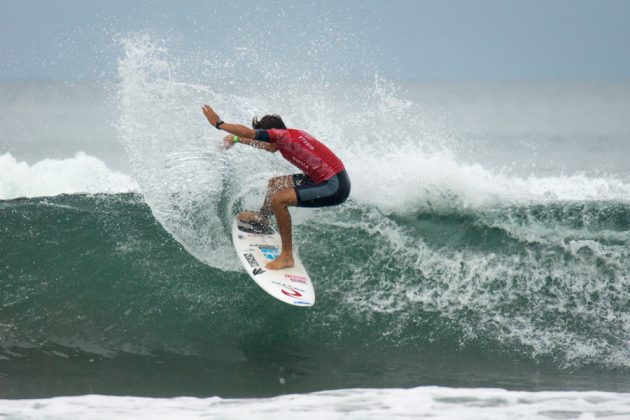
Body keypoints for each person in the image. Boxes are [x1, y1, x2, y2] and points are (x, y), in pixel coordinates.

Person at [202, 104, 351, 270]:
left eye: (264, 137)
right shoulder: (290, 135)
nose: (264, 142)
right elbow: (269, 147)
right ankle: (263, 217)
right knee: (275, 184)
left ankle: (287, 256)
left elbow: (248, 133)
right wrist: (236, 140)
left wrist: (219, 124)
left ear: (271, 133)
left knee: (279, 200)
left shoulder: (280, 136)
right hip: (322, 179)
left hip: (335, 185)